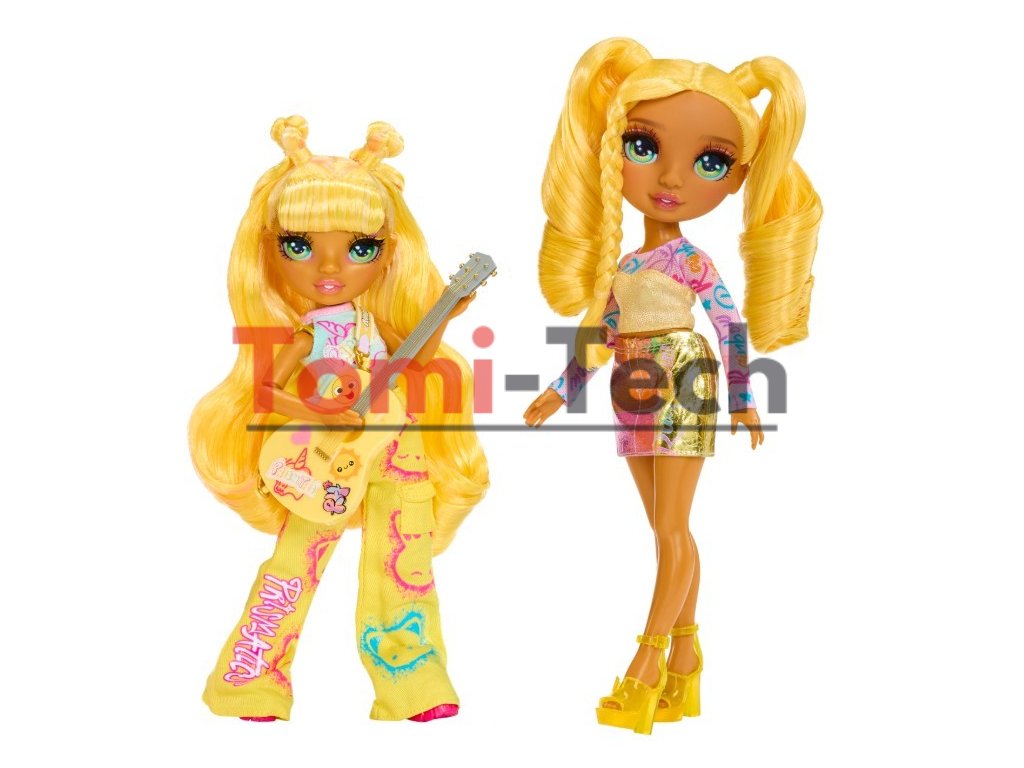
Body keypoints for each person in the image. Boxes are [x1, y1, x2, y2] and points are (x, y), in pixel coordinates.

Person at [523, 38, 821, 734]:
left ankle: (648, 661)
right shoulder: (622, 264)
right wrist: (559, 390)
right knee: (663, 527)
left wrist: (742, 398)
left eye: (709, 162)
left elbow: (730, 325)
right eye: (643, 145)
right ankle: (686, 657)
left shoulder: (692, 261)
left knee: (671, 527)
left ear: (736, 178)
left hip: (683, 375)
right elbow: (601, 334)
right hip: (628, 384)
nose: (670, 178)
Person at [189, 116, 488, 722]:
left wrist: (447, 314)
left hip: (398, 448)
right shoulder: (308, 333)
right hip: (324, 454)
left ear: (387, 253)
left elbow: (414, 363)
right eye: (300, 246)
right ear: (270, 251)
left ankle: (413, 681)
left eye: (360, 249)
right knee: (296, 559)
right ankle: (251, 676)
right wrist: (322, 412)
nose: (330, 268)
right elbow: (268, 393)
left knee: (404, 563)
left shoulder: (372, 325)